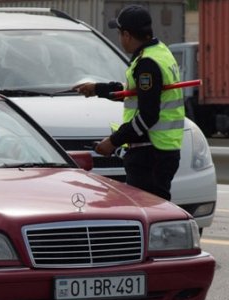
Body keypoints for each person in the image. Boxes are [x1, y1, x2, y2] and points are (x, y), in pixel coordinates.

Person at [73, 4, 185, 201]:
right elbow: (135, 93)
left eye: (119, 33)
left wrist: (113, 141)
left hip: (150, 152)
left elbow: (148, 115)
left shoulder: (147, 64)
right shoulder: (160, 52)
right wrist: (98, 89)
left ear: (126, 35)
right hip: (162, 149)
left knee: (147, 212)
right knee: (155, 210)